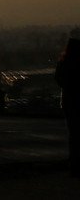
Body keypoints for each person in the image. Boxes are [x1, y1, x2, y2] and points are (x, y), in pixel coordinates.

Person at [55, 37, 80, 176]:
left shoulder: (63, 62)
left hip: (68, 101)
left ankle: (74, 163)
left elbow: (58, 78)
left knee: (73, 134)